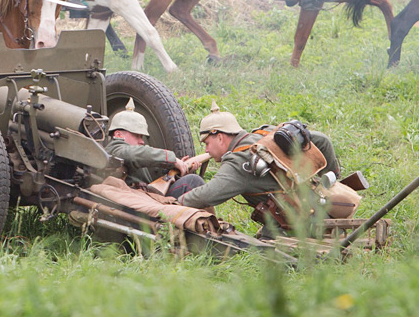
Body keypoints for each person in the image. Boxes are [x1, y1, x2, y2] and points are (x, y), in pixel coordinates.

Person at [177, 101, 342, 232]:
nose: (206, 150)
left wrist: (173, 203)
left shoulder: (237, 162)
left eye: (207, 143)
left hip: (301, 227)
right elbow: (322, 140)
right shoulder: (264, 135)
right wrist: (334, 183)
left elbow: (206, 195)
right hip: (325, 208)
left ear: (219, 137)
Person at [105, 98, 202, 196]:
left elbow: (154, 178)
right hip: (134, 199)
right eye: (137, 135)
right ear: (118, 135)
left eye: (142, 137)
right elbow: (137, 154)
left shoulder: (134, 155)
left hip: (145, 196)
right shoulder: (114, 149)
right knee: (193, 181)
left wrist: (180, 169)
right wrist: (173, 160)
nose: (142, 141)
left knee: (191, 181)